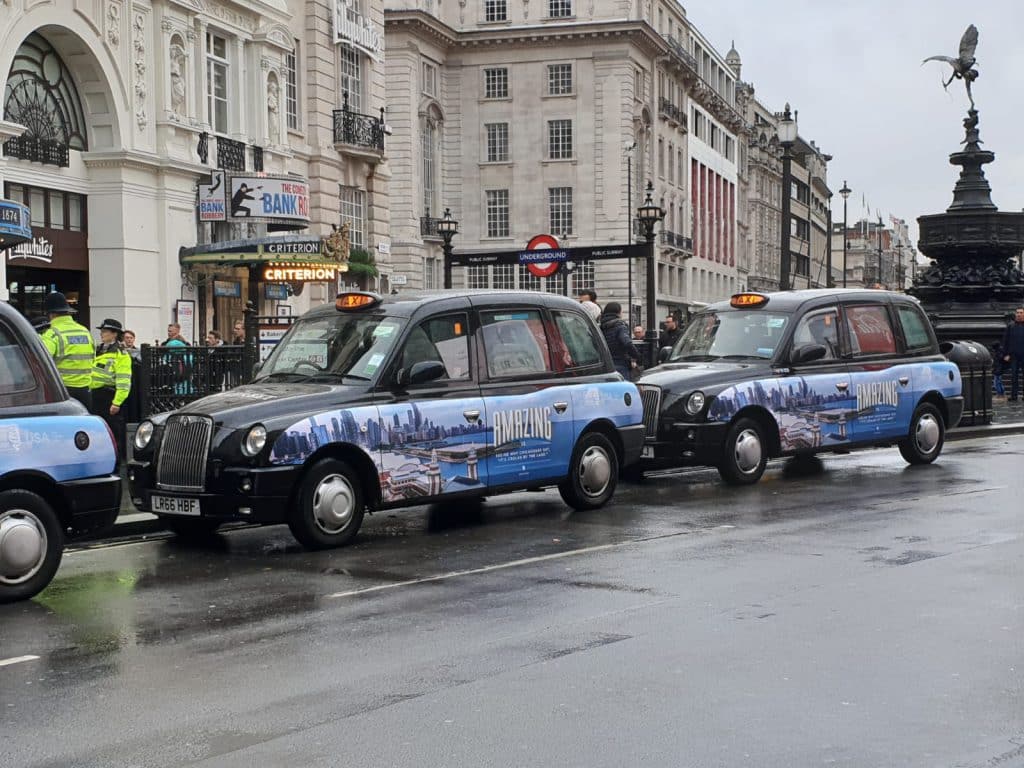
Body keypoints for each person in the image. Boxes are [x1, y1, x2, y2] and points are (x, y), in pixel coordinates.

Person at [39, 292, 94, 409]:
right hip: (85, 390)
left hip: (62, 391)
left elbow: (40, 361)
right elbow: (93, 357)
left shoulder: (52, 334)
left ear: (51, 314)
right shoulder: (84, 331)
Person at [90, 319, 132, 460]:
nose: (102, 333)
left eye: (105, 331)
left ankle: (116, 463)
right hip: (95, 396)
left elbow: (124, 380)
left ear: (114, 334)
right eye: (101, 331)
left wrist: (117, 402)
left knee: (114, 433)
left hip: (110, 397)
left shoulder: (121, 354)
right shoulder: (98, 349)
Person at [599, 301, 639, 379]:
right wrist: (637, 355)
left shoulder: (601, 326)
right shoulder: (620, 326)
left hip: (605, 365)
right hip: (621, 364)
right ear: (618, 312)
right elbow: (627, 343)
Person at [1001, 307, 1024, 401]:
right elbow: (1005, 341)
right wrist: (1005, 354)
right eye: (1017, 312)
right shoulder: (1010, 326)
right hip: (1013, 356)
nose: (1019, 314)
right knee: (1014, 376)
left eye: (1021, 312)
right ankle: (1014, 396)